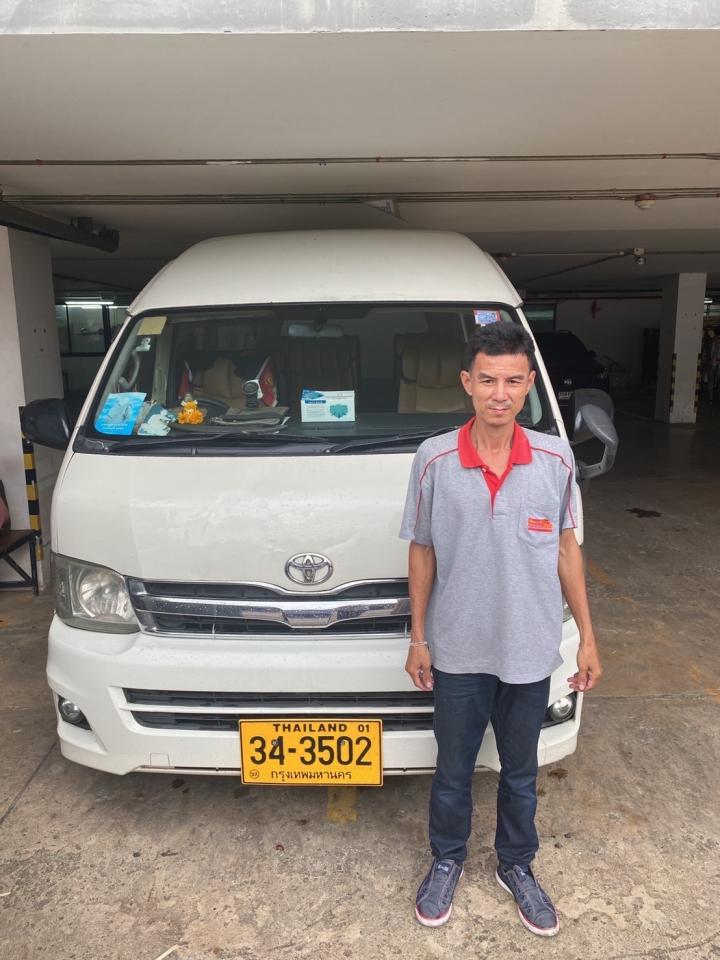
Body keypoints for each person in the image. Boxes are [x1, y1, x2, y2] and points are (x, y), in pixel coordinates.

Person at [399, 321, 602, 937]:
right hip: (458, 648)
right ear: (467, 382)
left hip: (529, 647)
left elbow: (566, 549)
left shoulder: (555, 459)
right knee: (453, 771)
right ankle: (447, 861)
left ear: (529, 384)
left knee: (520, 772)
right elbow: (422, 551)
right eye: (488, 380)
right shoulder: (434, 459)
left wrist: (588, 637)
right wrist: (418, 637)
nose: (499, 393)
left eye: (513, 381)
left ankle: (517, 865)